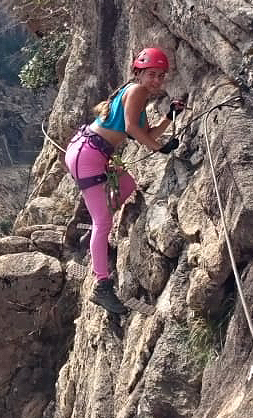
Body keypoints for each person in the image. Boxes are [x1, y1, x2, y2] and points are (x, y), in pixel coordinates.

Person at [65, 48, 185, 314]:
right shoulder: (137, 92)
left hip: (89, 151)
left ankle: (93, 238)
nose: (156, 80)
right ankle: (102, 286)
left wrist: (169, 117)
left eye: (161, 76)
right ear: (139, 73)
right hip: (89, 156)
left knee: (127, 185)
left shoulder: (133, 93)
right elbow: (132, 129)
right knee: (103, 222)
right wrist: (158, 148)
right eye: (152, 74)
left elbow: (143, 131)